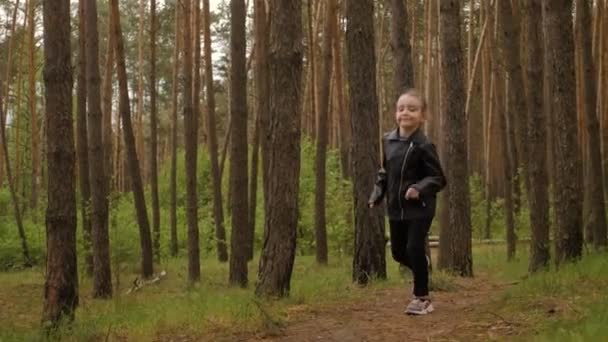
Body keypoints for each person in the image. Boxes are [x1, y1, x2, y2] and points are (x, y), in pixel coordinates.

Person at [368, 88, 446, 315]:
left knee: (413, 247)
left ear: (423, 116)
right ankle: (422, 269)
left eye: (412, 109)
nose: (406, 113)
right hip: (395, 208)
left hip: (420, 208)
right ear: (395, 113)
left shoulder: (424, 145)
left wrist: (418, 188)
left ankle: (422, 299)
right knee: (398, 253)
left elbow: (438, 178)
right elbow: (385, 173)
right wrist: (377, 194)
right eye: (401, 108)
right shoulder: (388, 141)